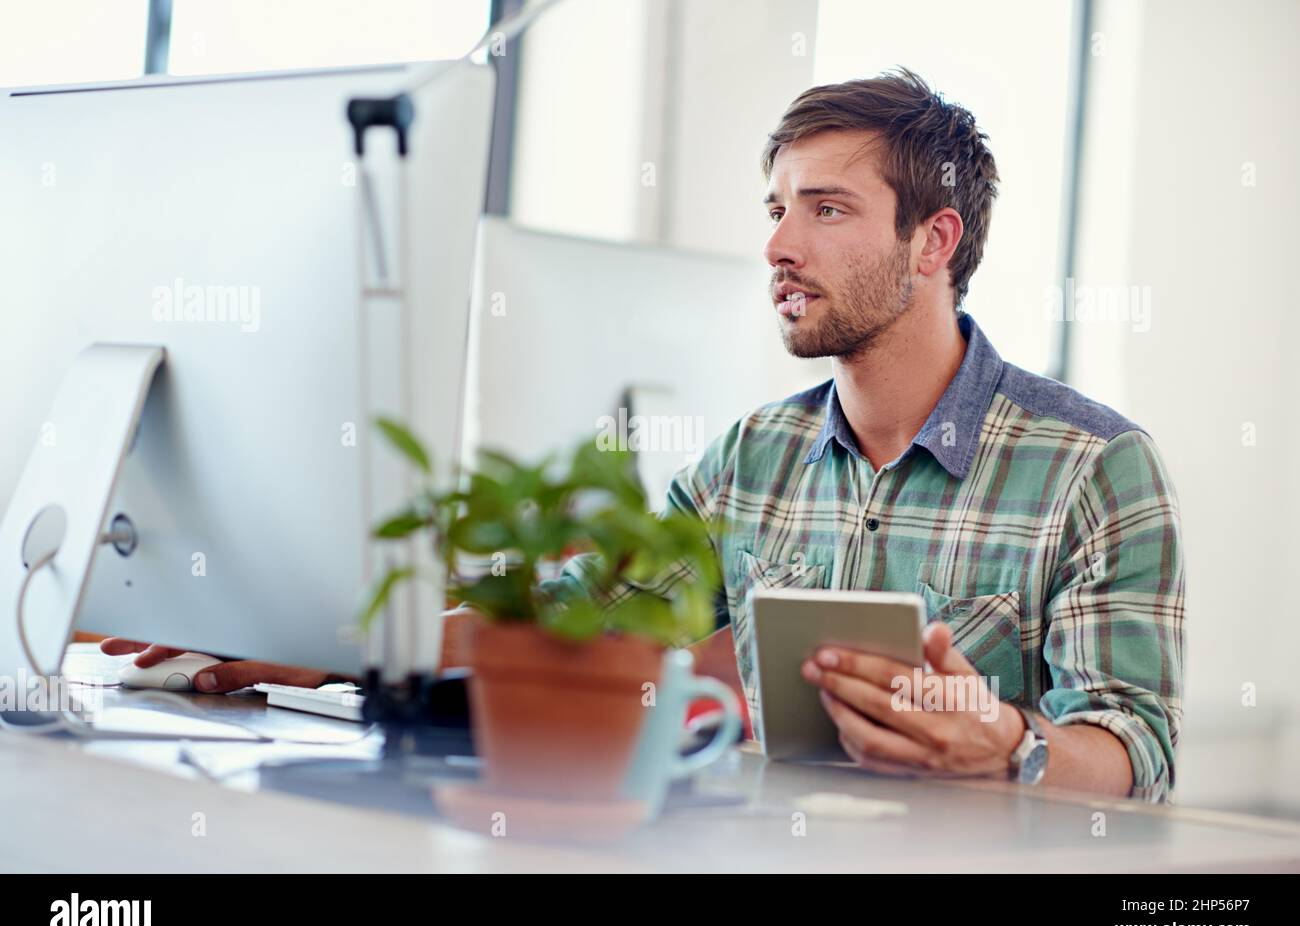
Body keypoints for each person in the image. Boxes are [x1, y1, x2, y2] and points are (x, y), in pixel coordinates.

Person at [102, 68, 1184, 802]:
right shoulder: (750, 458)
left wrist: (1011, 748)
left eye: (826, 209)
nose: (780, 245)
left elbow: (1134, 749)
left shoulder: (1094, 466)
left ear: (931, 240)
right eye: (774, 211)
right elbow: (577, 627)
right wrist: (318, 637)